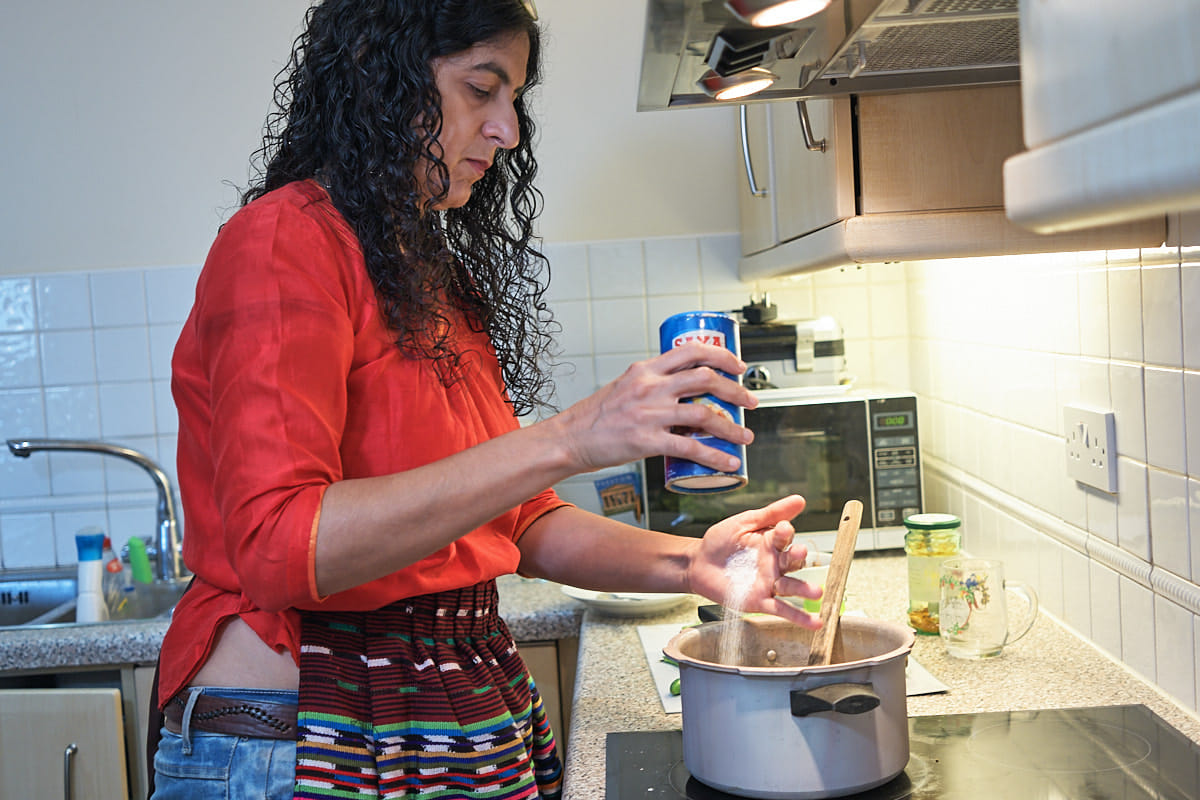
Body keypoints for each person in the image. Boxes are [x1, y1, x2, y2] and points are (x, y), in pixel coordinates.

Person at [149, 1, 822, 798]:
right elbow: (280, 546)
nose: (506, 130)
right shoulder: (283, 241)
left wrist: (693, 563)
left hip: (440, 721)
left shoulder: (429, 274)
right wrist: (572, 436)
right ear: (378, 70)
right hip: (291, 747)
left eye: (515, 99)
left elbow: (516, 517)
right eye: (481, 90)